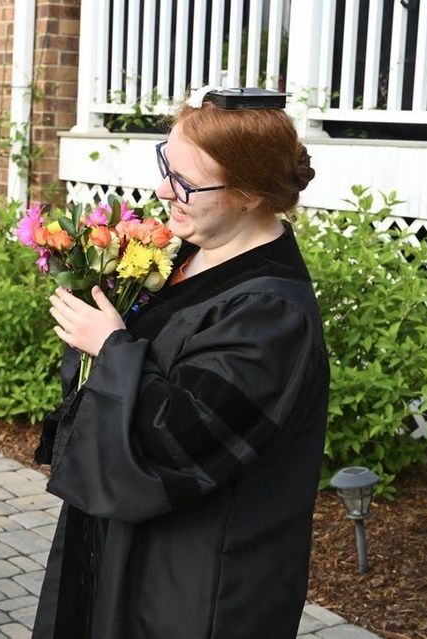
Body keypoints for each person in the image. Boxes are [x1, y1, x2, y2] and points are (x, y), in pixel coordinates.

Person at [31, 88, 328, 638]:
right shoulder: (190, 251)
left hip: (198, 573)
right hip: (131, 544)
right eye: (166, 165)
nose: (164, 190)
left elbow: (185, 438)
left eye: (186, 182)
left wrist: (112, 349)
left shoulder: (270, 314)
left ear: (248, 194)